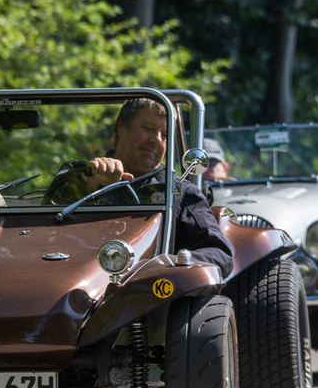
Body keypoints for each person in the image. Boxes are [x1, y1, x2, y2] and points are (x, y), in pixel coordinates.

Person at [45, 97, 234, 276]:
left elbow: (220, 254)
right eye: (148, 128)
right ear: (121, 127)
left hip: (148, 297)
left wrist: (172, 263)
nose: (156, 139)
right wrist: (87, 186)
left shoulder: (179, 192)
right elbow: (44, 225)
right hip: (70, 286)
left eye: (165, 135)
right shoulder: (79, 176)